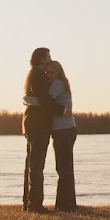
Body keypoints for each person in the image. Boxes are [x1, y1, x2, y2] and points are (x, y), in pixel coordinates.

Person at [22, 47, 65, 213]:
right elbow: (45, 99)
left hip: (33, 124)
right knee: (37, 165)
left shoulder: (33, 74)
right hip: (38, 125)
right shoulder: (38, 75)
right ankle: (35, 205)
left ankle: (29, 204)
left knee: (33, 164)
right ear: (41, 59)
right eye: (48, 57)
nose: (50, 59)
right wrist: (62, 110)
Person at [46, 60, 77, 212]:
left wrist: (27, 99)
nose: (49, 75)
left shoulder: (57, 84)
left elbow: (45, 100)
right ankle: (68, 204)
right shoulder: (61, 83)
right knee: (66, 168)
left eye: (52, 72)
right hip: (67, 128)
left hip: (63, 130)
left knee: (62, 168)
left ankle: (64, 205)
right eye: (47, 72)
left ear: (58, 73)